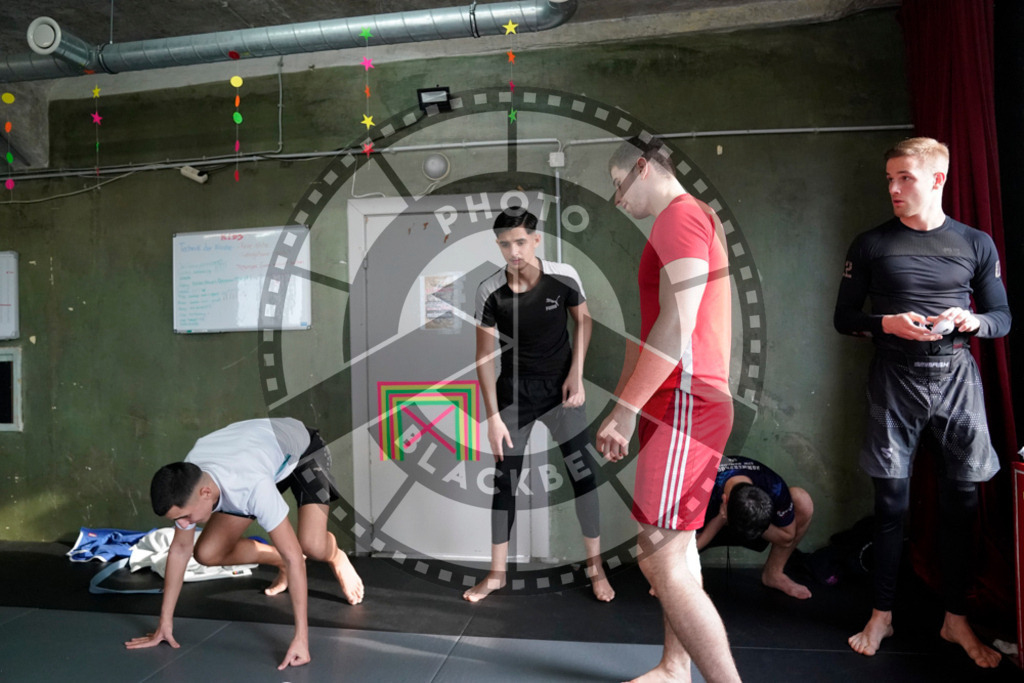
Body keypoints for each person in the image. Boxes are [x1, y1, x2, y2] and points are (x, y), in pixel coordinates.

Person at [834, 137, 1010, 668]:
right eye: (889, 178)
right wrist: (883, 323)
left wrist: (970, 320)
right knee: (891, 505)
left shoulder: (976, 243)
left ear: (937, 179)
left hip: (957, 379)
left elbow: (1002, 318)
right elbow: (843, 319)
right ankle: (882, 614)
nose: (892, 188)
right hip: (894, 380)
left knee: (963, 506)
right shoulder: (869, 244)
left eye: (904, 177)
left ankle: (955, 619)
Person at [598, 135, 741, 683]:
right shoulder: (695, 216)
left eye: (618, 186)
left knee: (657, 555)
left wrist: (626, 408)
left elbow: (678, 324)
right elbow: (663, 323)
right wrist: (627, 401)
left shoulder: (677, 217)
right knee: (677, 550)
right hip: (680, 399)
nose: (619, 199)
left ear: (642, 168)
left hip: (687, 400)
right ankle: (674, 667)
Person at [125, 417, 365, 670]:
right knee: (207, 552)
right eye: (177, 520)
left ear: (205, 493)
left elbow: (295, 557)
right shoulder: (188, 479)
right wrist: (164, 623)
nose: (184, 525)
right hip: (259, 458)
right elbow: (180, 548)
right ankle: (276, 561)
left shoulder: (250, 487)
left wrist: (300, 639)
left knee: (310, 546)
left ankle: (337, 556)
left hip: (302, 452)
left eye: (185, 517)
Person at [463, 207, 614, 603]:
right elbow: (483, 357)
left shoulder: (563, 276)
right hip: (514, 395)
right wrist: (493, 418)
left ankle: (595, 570)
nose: (512, 251)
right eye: (504, 244)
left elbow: (584, 322)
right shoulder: (489, 290)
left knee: (583, 476)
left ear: (535, 240)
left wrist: (577, 374)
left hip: (563, 394)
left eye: (519, 242)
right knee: (504, 483)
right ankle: (496, 575)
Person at [696, 455, 814, 599]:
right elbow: (685, 545)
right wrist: (720, 519)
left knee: (801, 500)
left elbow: (787, 538)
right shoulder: (701, 486)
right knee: (670, 555)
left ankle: (773, 574)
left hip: (751, 522)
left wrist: (756, 519)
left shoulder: (773, 486)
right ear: (725, 501)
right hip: (710, 521)